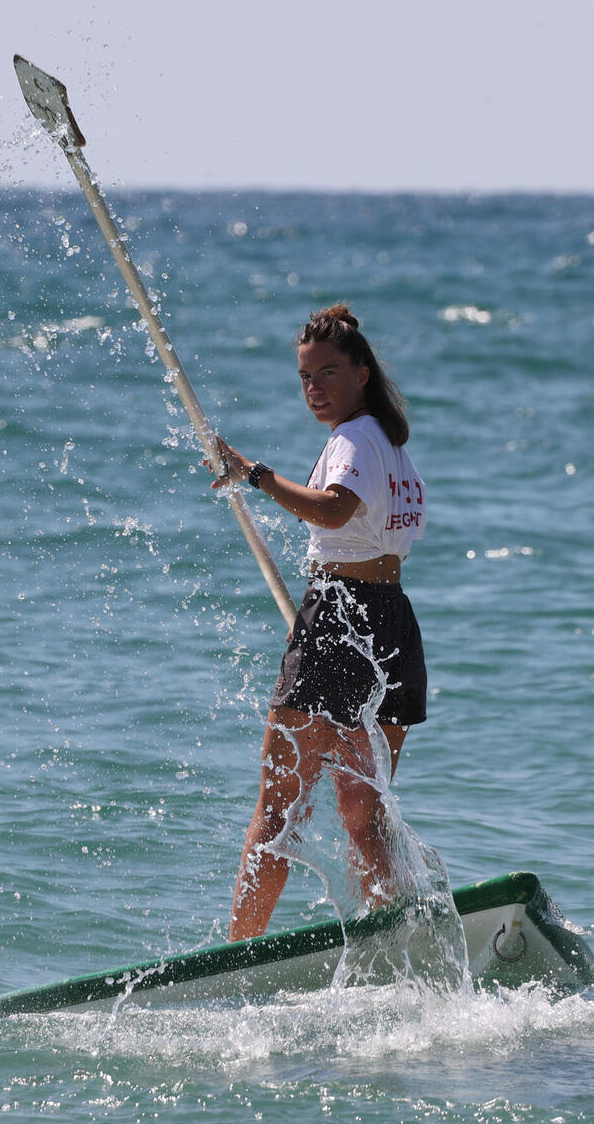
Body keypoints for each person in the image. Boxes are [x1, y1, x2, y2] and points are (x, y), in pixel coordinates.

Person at [208, 303, 428, 940]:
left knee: (277, 810)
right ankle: (391, 939)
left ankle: (239, 952)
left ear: (362, 372)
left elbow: (334, 513)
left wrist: (253, 475)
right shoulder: (392, 444)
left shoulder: (354, 441)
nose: (314, 390)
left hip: (341, 618)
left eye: (328, 374)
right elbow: (360, 533)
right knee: (364, 813)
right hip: (389, 623)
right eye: (305, 377)